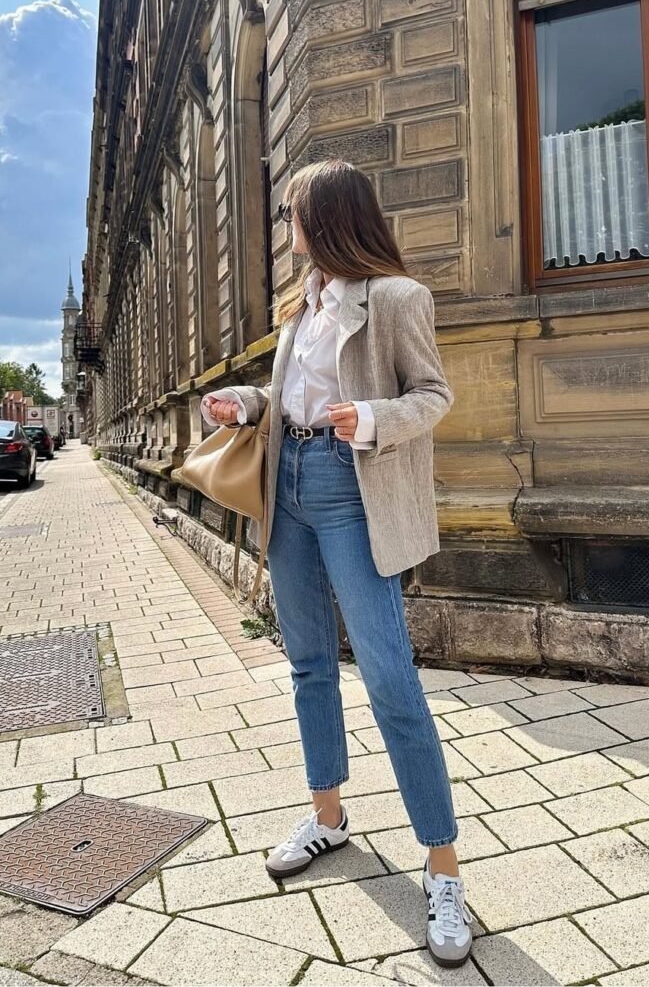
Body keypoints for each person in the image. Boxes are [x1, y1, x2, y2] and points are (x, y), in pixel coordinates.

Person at [201, 159, 472, 967]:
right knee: (309, 665)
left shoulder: (397, 298)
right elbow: (293, 399)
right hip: (286, 484)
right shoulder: (302, 307)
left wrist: (374, 417)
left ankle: (443, 866)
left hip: (352, 488)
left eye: (294, 213)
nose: (287, 226)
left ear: (326, 218)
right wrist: (246, 402)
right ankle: (328, 817)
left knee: (390, 677)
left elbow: (434, 395)